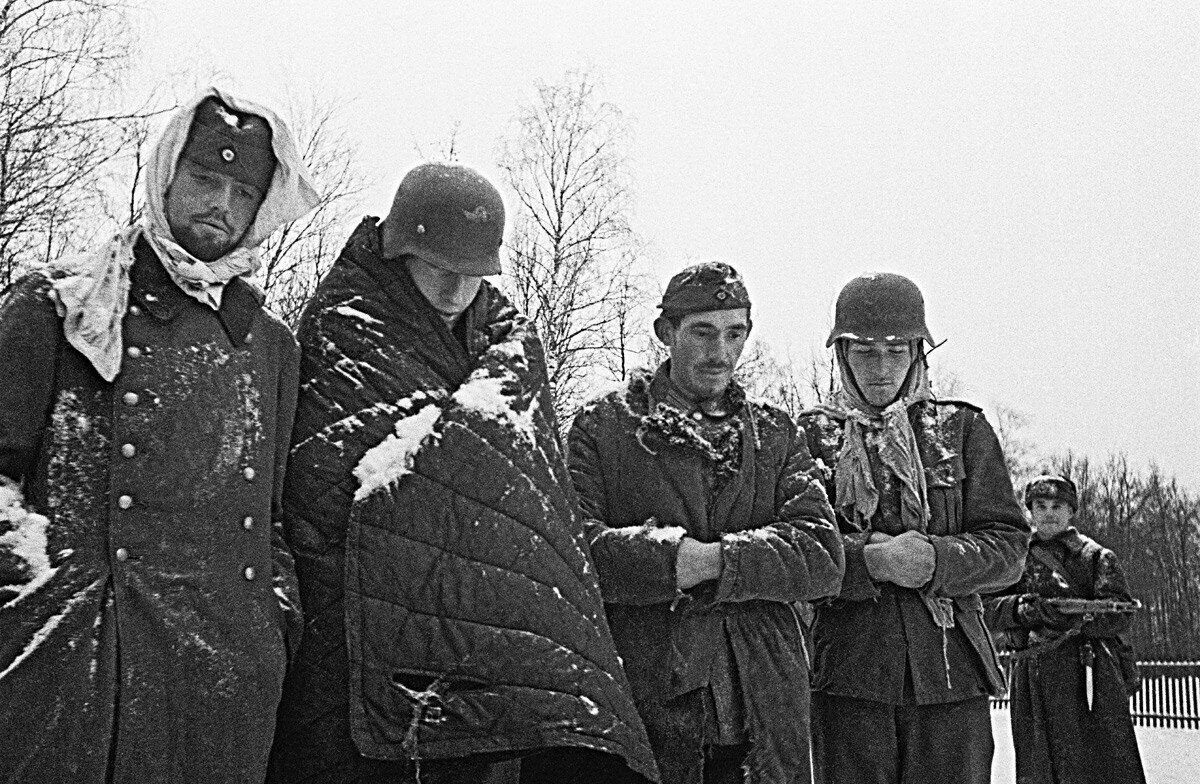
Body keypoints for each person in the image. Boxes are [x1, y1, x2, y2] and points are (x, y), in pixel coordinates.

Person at [267, 162, 658, 784]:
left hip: (482, 649)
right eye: (441, 268)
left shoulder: (511, 346)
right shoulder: (342, 331)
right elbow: (318, 489)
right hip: (354, 649)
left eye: (475, 274)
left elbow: (536, 509)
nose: (457, 289)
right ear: (399, 252)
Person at [0, 88, 320, 782]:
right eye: (205, 180)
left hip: (219, 679)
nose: (221, 206)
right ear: (167, 174)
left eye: (242, 191)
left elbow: (271, 518)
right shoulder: (63, 305)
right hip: (79, 667)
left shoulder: (270, 347)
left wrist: (270, 621)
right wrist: (34, 591)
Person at [567, 261, 845, 784]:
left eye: (734, 333)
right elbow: (578, 553)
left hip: (764, 708)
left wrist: (715, 561)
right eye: (703, 332)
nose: (721, 352)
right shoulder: (602, 429)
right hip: (649, 702)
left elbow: (822, 555)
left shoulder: (775, 433)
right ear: (665, 333)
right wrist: (671, 561)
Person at [798, 272, 1030, 784]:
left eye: (895, 350)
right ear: (841, 356)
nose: (881, 368)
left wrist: (937, 561)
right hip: (847, 679)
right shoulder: (807, 438)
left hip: (951, 676)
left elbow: (1010, 548)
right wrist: (867, 561)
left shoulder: (963, 429)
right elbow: (797, 554)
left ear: (919, 353)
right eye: (864, 352)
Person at [986, 474, 1146, 784]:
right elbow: (988, 609)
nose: (1048, 513)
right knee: (1037, 765)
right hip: (1031, 674)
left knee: (1097, 762)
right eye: (1040, 505)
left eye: (1057, 506)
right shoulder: (1015, 558)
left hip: (1087, 674)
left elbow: (1120, 614)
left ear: (1071, 511)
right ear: (1030, 510)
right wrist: (1022, 609)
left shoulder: (1095, 556)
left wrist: (1074, 620)